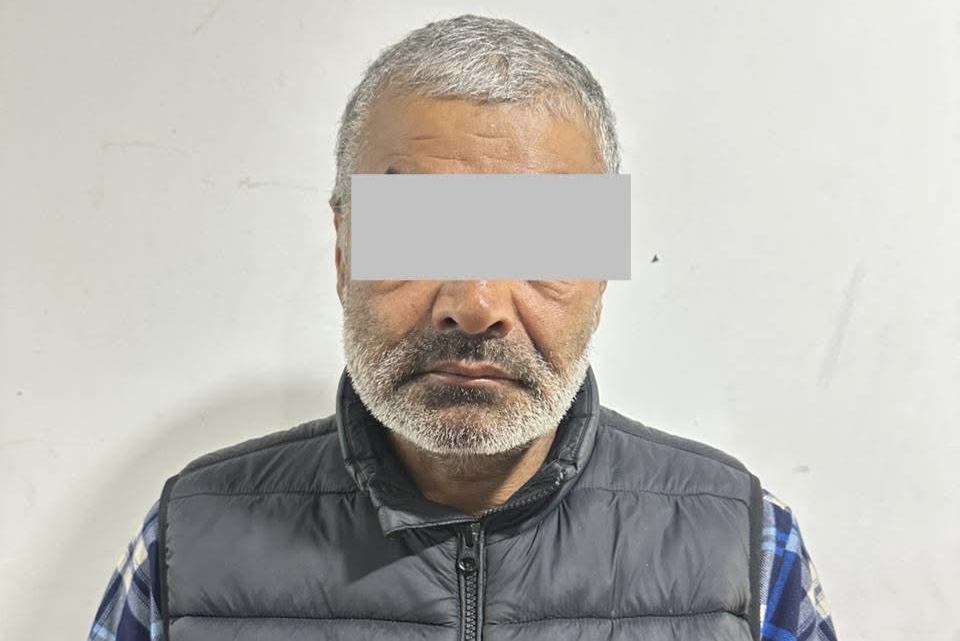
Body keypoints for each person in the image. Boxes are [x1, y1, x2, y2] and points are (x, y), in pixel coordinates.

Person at [87, 14, 838, 641]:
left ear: (601, 273)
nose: (476, 304)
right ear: (344, 254)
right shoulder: (190, 542)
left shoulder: (742, 547)